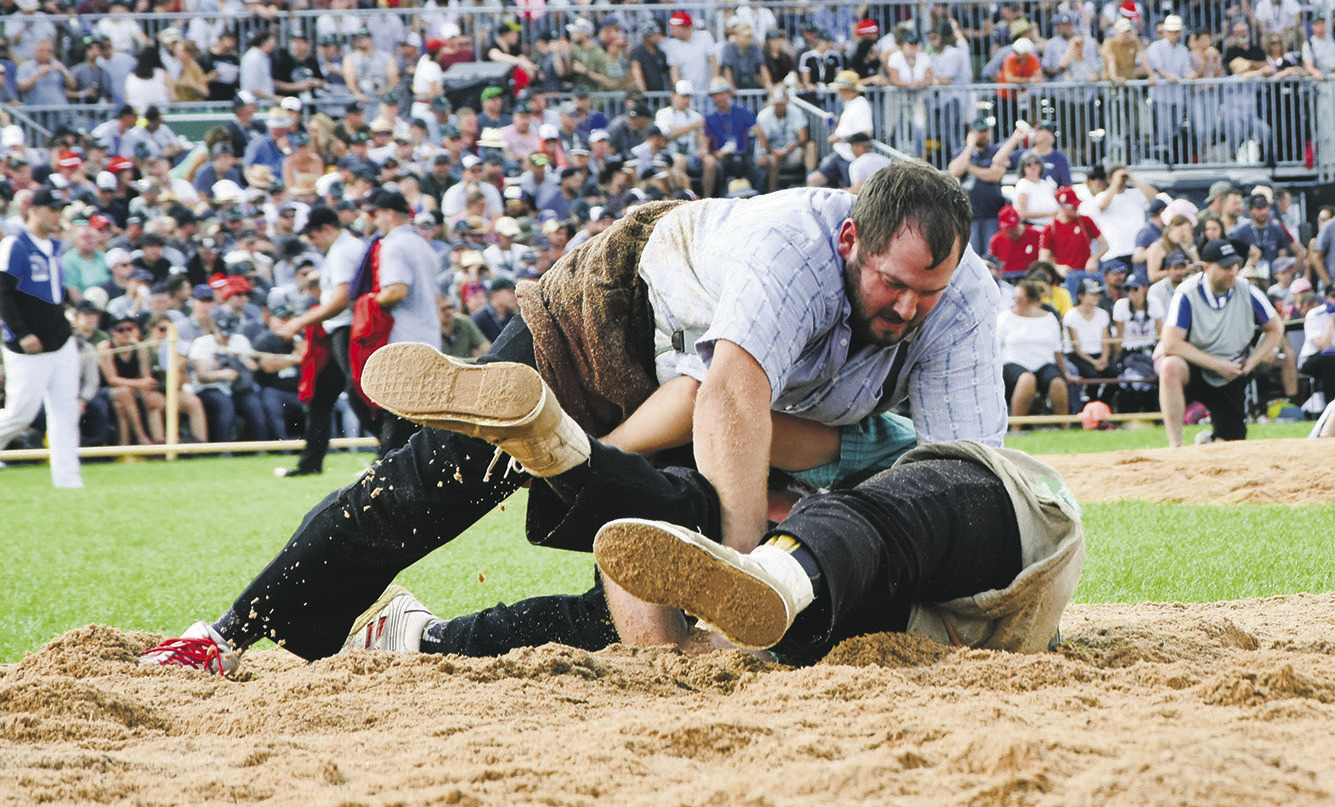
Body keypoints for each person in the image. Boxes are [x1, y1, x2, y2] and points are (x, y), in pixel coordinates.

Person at [138, 164, 1006, 673]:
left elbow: (971, 463)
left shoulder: (960, 302)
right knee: (426, 487)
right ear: (852, 240)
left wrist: (977, 588)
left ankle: (442, 613)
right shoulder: (791, 245)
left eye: (927, 291)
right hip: (604, 326)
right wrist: (744, 578)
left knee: (645, 581)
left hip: (705, 417)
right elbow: (731, 393)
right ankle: (227, 636)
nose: (907, 309)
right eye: (893, 285)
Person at [1156, 238, 1285, 447]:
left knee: (1229, 444)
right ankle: (1176, 446)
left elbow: (1276, 328)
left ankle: (1209, 440)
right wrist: (1217, 364)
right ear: (1206, 267)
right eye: (1225, 267)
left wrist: (1251, 363)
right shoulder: (1186, 294)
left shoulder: (1248, 290)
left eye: (1235, 265)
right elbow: (1170, 343)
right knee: (1170, 366)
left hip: (1232, 371)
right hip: (1195, 366)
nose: (1233, 271)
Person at [0, 187, 83, 487]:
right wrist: (21, 333)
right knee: (20, 413)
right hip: (28, 344)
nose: (57, 214)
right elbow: (3, 292)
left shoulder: (55, 248)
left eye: (60, 209)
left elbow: (54, 294)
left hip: (60, 339)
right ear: (33, 210)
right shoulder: (15, 244)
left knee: (66, 410)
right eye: (52, 208)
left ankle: (68, 478)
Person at [998, 277, 1069, 425]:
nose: (1016, 301)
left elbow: (1057, 351)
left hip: (1043, 363)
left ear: (1030, 299)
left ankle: (1065, 426)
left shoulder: (1049, 318)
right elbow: (996, 348)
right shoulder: (1005, 317)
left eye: (1020, 298)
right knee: (1027, 379)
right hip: (1013, 363)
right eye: (1015, 298)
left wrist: (1066, 373)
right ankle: (1016, 427)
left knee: (1057, 383)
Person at [808, 71, 872, 188]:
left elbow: (866, 133)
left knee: (852, 192)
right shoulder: (851, 104)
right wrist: (836, 121)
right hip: (841, 154)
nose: (838, 92)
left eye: (840, 89)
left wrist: (841, 138)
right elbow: (851, 125)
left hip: (851, 158)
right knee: (814, 180)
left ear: (847, 90)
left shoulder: (861, 105)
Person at [1063, 278, 1116, 403]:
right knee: (1092, 375)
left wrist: (1104, 358)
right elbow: (1076, 347)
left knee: (1115, 373)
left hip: (1097, 354)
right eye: (1092, 294)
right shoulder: (1071, 315)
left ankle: (1103, 404)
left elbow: (1105, 340)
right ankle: (1092, 405)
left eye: (1097, 294)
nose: (1096, 297)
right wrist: (1093, 362)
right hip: (1078, 356)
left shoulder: (1102, 314)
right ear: (1081, 296)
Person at [1297, 284, 1335, 406]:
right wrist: (1332, 319)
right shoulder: (1315, 314)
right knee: (1330, 360)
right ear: (1326, 298)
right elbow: (1324, 346)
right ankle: (1331, 408)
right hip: (1312, 358)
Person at [988, 205, 1041, 279]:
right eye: (1007, 228)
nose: (1011, 231)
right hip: (1007, 278)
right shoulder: (996, 240)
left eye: (1013, 227)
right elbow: (992, 263)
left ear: (1019, 223)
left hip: (1030, 277)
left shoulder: (1037, 235)